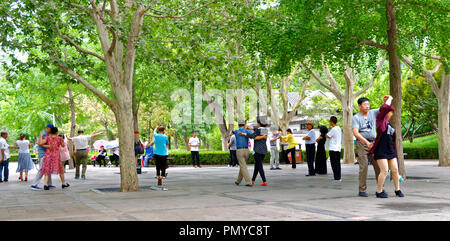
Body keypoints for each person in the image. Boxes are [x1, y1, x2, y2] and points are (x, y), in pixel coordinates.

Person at [352, 96, 389, 197]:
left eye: (368, 104)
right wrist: (366, 143)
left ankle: (381, 189)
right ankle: (362, 190)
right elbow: (356, 133)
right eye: (365, 104)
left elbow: (384, 109)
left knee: (379, 166)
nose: (367, 106)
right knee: (363, 167)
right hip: (362, 144)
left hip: (374, 143)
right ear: (359, 106)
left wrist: (387, 101)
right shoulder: (356, 117)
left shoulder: (373, 112)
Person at [370, 96, 404, 198]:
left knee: (395, 170)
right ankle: (379, 191)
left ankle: (397, 190)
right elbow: (385, 108)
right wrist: (390, 98)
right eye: (390, 112)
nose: (391, 114)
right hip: (381, 150)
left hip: (390, 150)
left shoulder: (389, 124)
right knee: (384, 171)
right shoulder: (380, 120)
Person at [31, 124, 55, 190]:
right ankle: (34, 185)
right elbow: (39, 143)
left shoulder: (47, 134)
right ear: (48, 128)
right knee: (42, 169)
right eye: (51, 129)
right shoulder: (43, 134)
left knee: (48, 169)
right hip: (43, 154)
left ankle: (49, 184)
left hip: (47, 153)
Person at [233, 120, 254, 186]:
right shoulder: (248, 131)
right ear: (244, 125)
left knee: (243, 166)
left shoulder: (236, 131)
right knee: (243, 165)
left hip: (239, 150)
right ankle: (238, 181)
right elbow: (253, 134)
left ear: (238, 125)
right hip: (246, 150)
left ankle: (249, 182)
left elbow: (231, 133)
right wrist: (248, 128)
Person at [251, 117, 269, 186]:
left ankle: (264, 181)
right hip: (263, 150)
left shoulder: (258, 130)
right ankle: (252, 180)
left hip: (257, 150)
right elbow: (265, 138)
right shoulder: (265, 130)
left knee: (259, 166)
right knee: (257, 166)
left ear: (259, 123)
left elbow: (254, 137)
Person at [326, 116, 342, 182]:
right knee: (338, 164)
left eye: (330, 121)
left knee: (334, 164)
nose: (329, 123)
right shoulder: (338, 128)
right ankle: (338, 177)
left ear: (332, 122)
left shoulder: (333, 129)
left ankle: (336, 178)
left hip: (333, 148)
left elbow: (327, 136)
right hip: (338, 148)